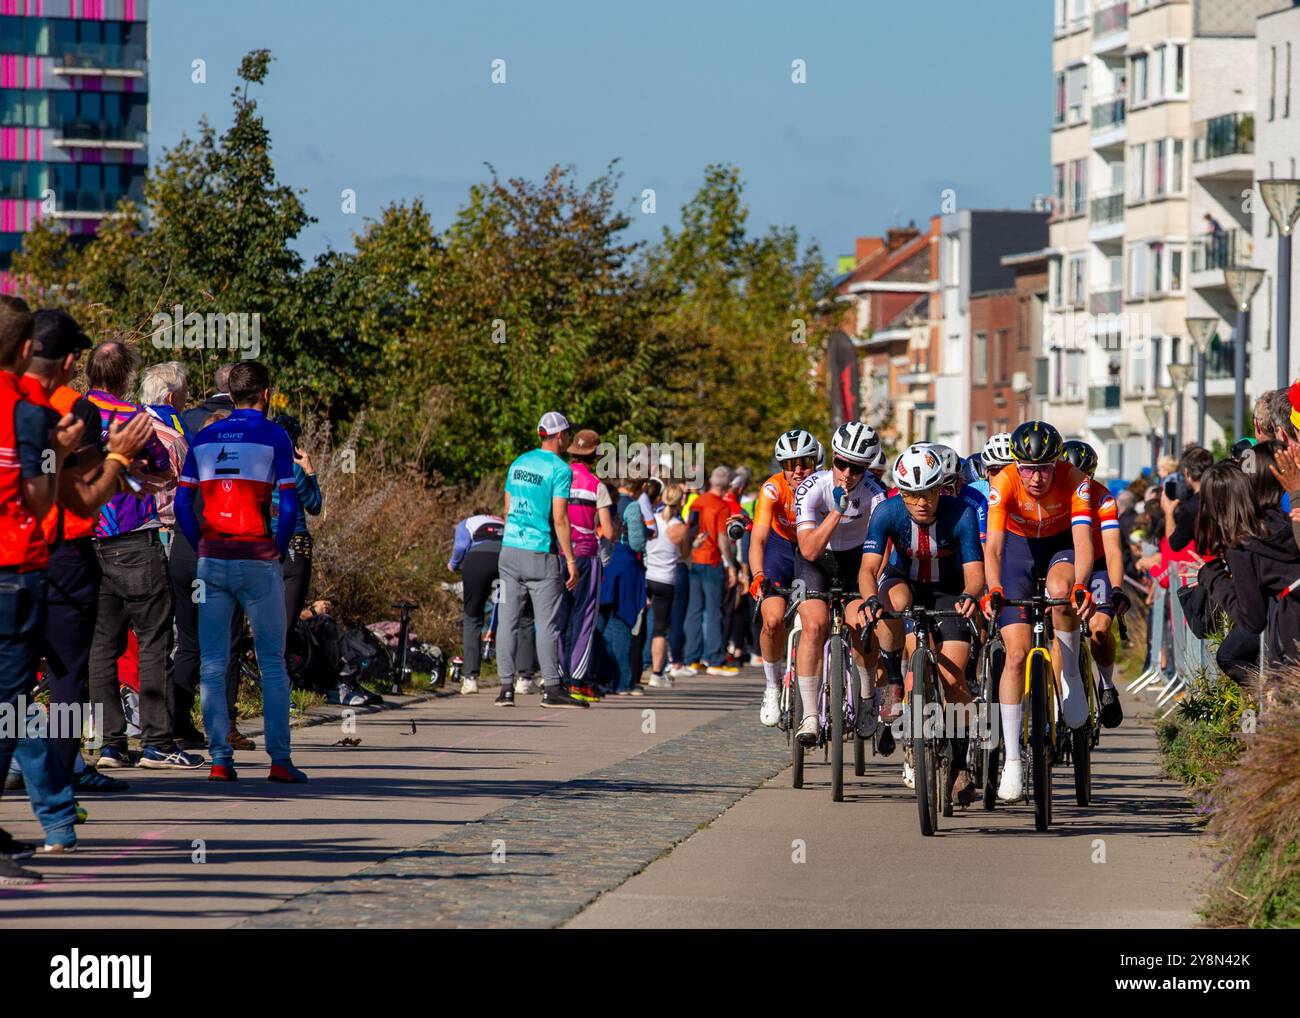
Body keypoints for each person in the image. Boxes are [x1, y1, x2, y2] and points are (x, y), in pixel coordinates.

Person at [26, 312, 151, 803]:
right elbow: (85, 492)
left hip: (14, 555)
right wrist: (122, 464)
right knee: (67, 676)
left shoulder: (12, 401)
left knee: (14, 673)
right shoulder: (74, 410)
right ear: (71, 360)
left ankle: (31, 764)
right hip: (63, 552)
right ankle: (60, 783)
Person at [174, 361, 306, 782]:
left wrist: (202, 546)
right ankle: (280, 761)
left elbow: (181, 505)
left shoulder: (206, 435)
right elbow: (289, 503)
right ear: (266, 393)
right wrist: (278, 549)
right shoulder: (275, 436)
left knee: (212, 662)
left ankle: (219, 760)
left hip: (213, 558)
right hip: (258, 557)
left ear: (230, 395)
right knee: (272, 662)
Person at [0, 297, 85, 883]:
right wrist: (61, 451)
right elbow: (42, 498)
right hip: (20, 569)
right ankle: (57, 813)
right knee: (10, 705)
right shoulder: (26, 414)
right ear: (26, 349)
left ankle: (56, 816)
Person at [84, 342, 197, 771]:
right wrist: (137, 479)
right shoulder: (131, 417)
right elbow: (163, 467)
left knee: (102, 644)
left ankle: (110, 743)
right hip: (133, 534)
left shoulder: (72, 414)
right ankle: (156, 741)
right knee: (153, 638)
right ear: (126, 377)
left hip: (87, 537)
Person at [982, 420, 1095, 803]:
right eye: (1028, 468)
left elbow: (1083, 542)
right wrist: (994, 587)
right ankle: (1013, 759)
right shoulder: (1003, 483)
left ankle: (1072, 680)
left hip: (1060, 546)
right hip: (1018, 551)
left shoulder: (1076, 479)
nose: (1036, 477)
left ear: (1057, 463)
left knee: (1062, 591)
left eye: (1045, 467)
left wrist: (1081, 584)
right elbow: (993, 547)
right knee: (1015, 655)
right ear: (1017, 465)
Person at [861, 445, 984, 797]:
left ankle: (959, 763)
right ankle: (896, 681)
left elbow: (975, 575)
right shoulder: (887, 511)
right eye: (912, 494)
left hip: (949, 591)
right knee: (893, 603)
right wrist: (870, 600)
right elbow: (869, 569)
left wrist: (970, 596)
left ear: (940, 488)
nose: (921, 502)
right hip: (905, 582)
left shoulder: (960, 514)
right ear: (902, 491)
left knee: (952, 678)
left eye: (928, 492)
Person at [792, 421, 888, 745]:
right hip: (815, 561)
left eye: (856, 467)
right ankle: (808, 714)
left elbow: (882, 552)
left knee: (862, 624)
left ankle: (866, 694)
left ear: (867, 468)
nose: (847, 473)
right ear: (833, 457)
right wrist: (836, 511)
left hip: (857, 562)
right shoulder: (810, 488)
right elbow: (808, 549)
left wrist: (873, 586)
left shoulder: (876, 496)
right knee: (814, 625)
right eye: (841, 463)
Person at [494, 411, 585, 709]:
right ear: (560, 436)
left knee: (507, 621)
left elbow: (507, 508)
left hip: (509, 550)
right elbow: (559, 517)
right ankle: (552, 689)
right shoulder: (560, 469)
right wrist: (570, 559)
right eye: (568, 433)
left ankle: (506, 688)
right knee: (547, 624)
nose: (569, 438)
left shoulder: (518, 463)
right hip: (540, 551)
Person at [751, 429, 818, 726]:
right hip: (779, 549)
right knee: (773, 621)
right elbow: (758, 540)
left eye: (804, 462)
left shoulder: (822, 483)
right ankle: (772, 685)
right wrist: (757, 574)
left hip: (811, 548)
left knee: (818, 619)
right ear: (782, 468)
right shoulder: (772, 489)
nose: (798, 470)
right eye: (791, 464)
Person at [1061, 440, 1127, 728]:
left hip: (1098, 566)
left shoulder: (1103, 499)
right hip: (1064, 565)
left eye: (1086, 476)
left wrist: (1116, 589)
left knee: (1099, 630)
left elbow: (1113, 551)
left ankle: (1108, 685)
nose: (1081, 482)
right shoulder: (1055, 496)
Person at [557, 428, 612, 695]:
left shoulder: (559, 477)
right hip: (587, 554)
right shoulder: (596, 485)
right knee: (584, 617)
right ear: (596, 454)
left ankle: (555, 676)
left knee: (557, 616)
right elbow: (609, 531)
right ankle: (577, 680)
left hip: (558, 553)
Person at [682, 465, 739, 677]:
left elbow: (690, 531)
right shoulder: (721, 506)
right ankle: (714, 658)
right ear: (727, 485)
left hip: (695, 560)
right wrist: (731, 565)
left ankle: (692, 658)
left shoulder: (698, 502)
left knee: (694, 610)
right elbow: (723, 538)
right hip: (712, 560)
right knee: (714, 611)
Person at [270, 413, 323, 640]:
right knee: (286, 622)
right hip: (295, 545)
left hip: (263, 544)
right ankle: (277, 672)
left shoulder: (257, 466)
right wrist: (310, 472)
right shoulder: (294, 469)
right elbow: (314, 505)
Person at [448, 508, 505, 695]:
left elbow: (460, 547)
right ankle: (519, 678)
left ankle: (471, 679)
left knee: (473, 617)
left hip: (478, 563)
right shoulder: (503, 522)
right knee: (507, 618)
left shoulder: (467, 522)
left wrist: (453, 564)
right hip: (504, 564)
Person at [645, 483, 689, 687]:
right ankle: (656, 673)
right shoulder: (679, 527)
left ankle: (636, 669)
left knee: (639, 624)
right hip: (666, 578)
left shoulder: (651, 520)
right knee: (660, 629)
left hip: (647, 574)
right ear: (681, 501)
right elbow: (686, 554)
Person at [1164, 445, 1213, 554]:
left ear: (1187, 473)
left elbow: (1175, 544)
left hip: (1210, 562)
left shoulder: (1191, 507)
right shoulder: (1224, 494)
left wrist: (1168, 512)